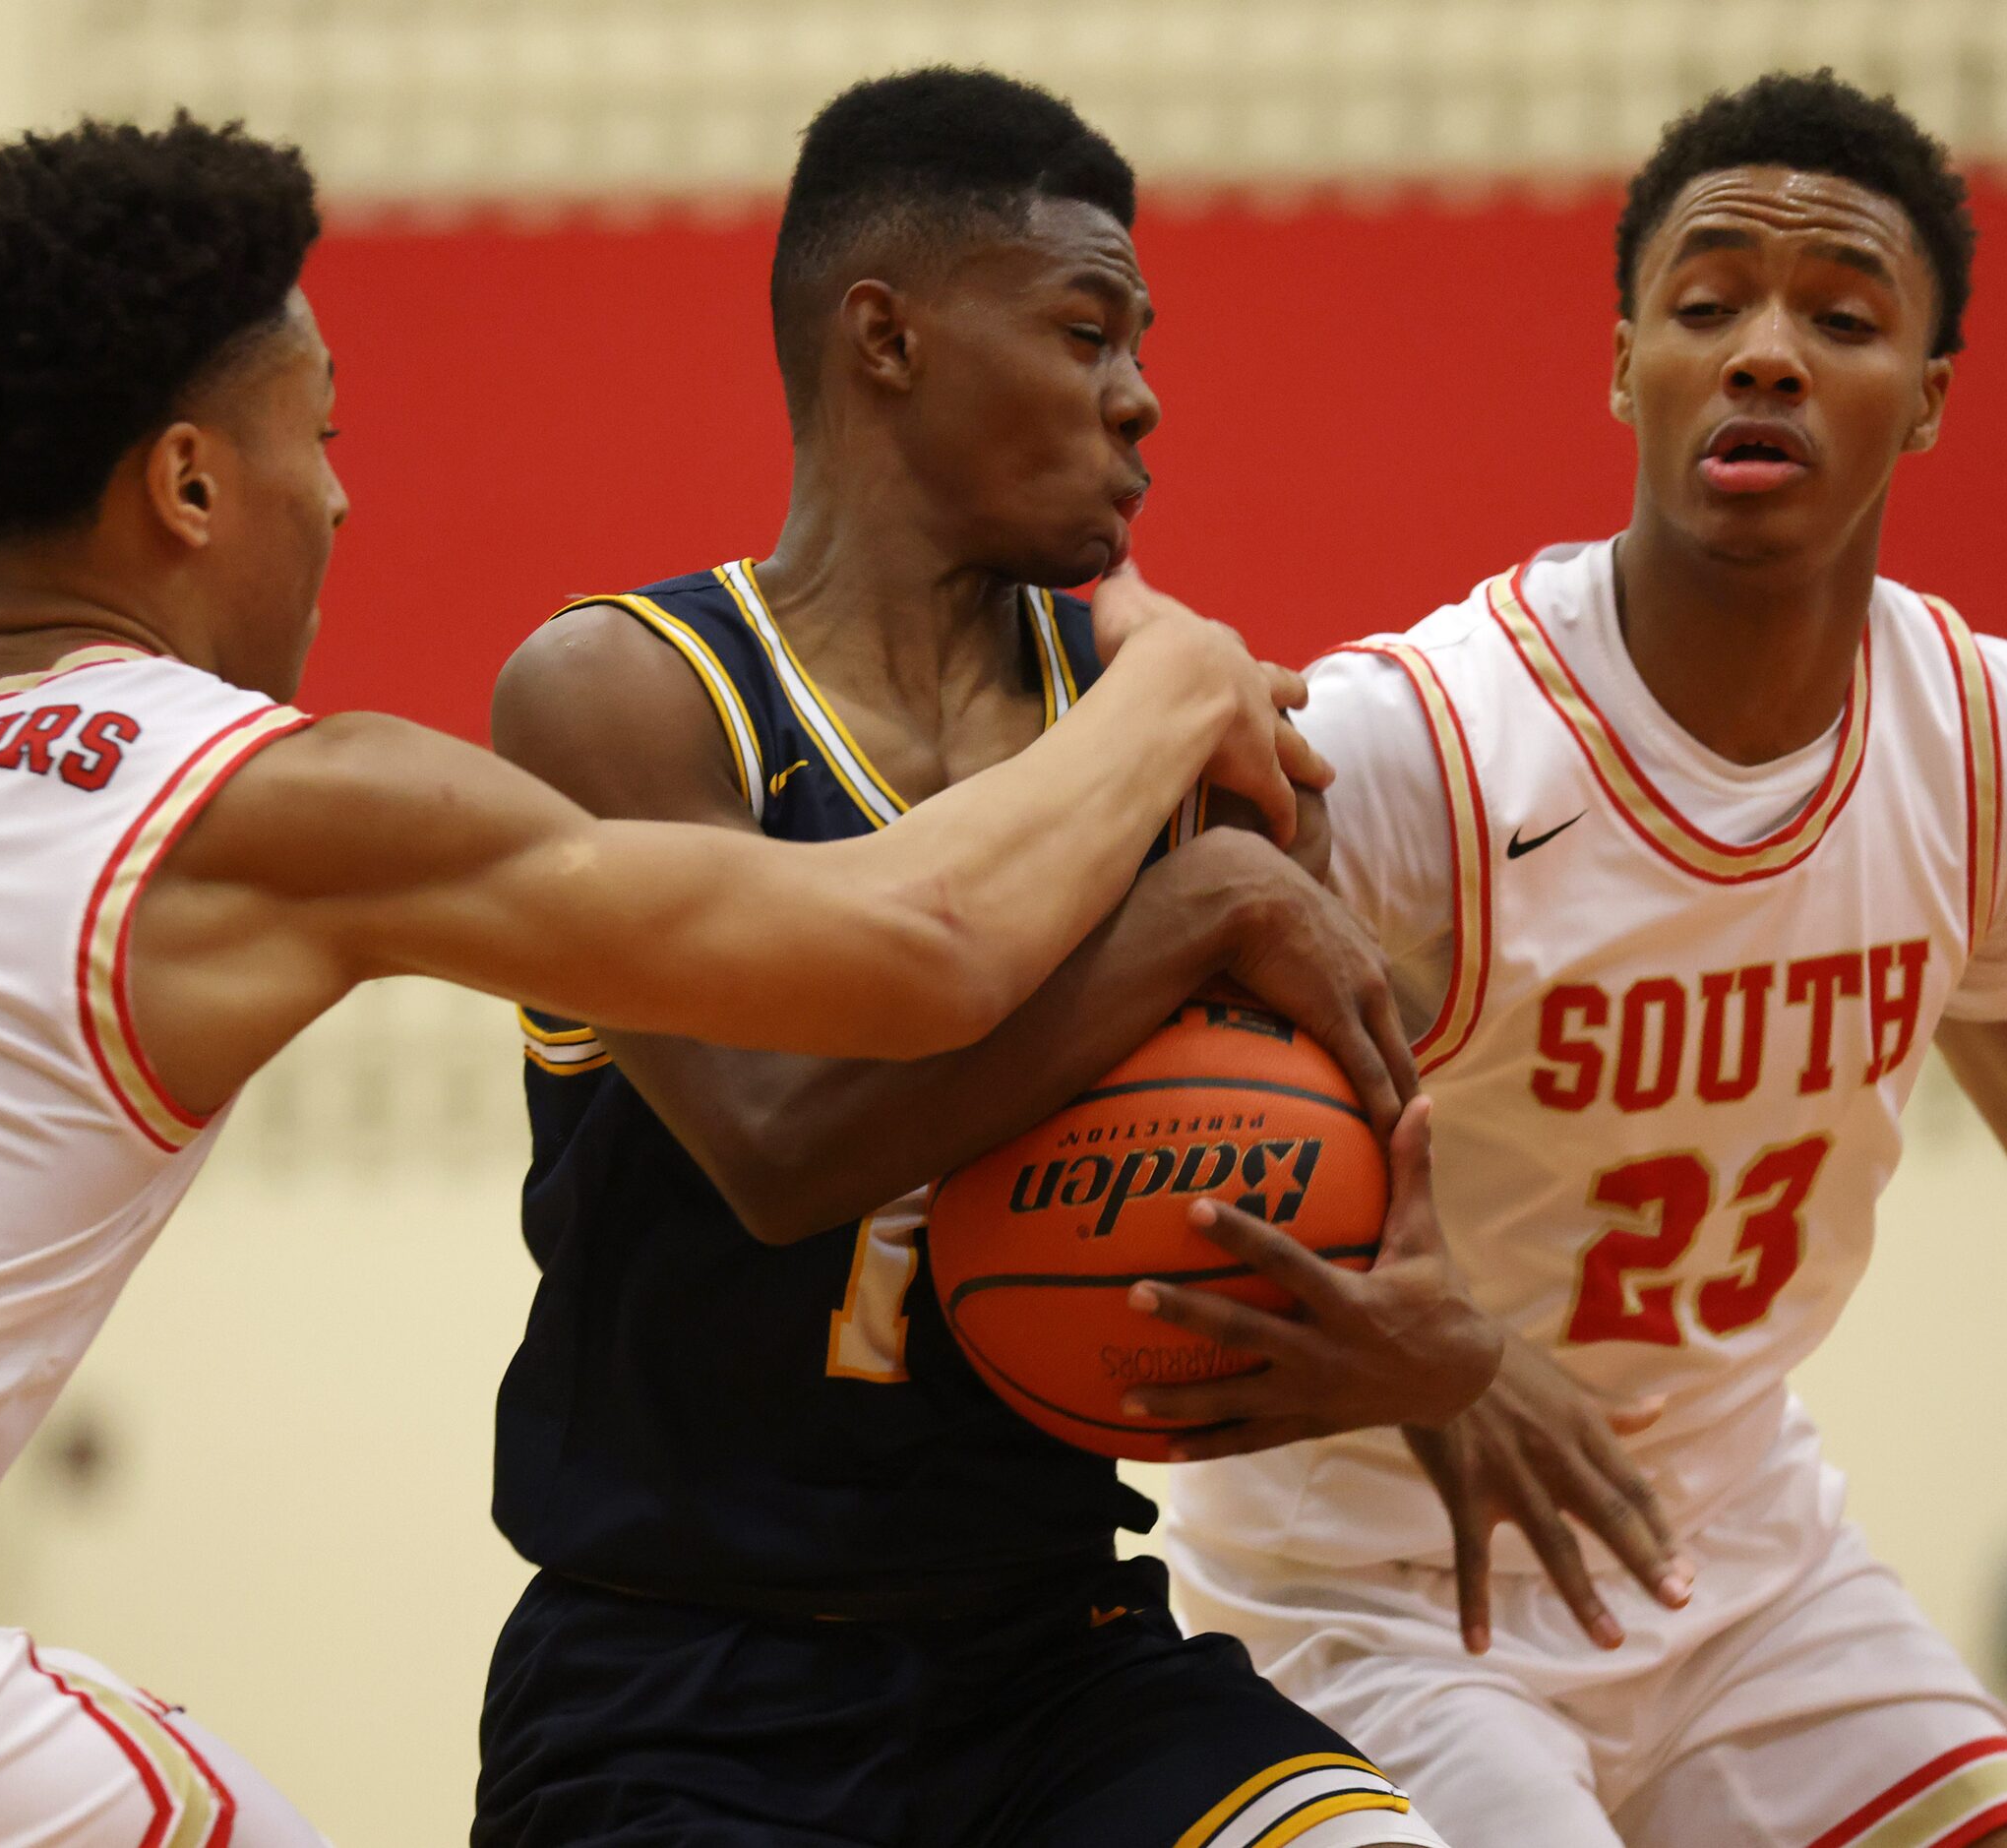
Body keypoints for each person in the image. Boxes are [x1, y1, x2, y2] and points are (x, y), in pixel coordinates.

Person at [0, 115, 1331, 1848]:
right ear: (194, 484)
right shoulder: (271, 793)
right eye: (323, 437)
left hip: (1050, 1653)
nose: (342, 495)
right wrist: (1174, 677)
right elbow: (913, 951)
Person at [1138, 71, 2007, 1848]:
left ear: (1928, 402)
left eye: (1838, 316)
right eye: (1706, 302)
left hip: (1730, 1553)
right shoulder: (1423, 749)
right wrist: (1410, 1337)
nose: (1763, 351)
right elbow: (1133, 1133)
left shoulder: (1980, 737)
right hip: (1371, 1580)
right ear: (1622, 367)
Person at [475, 68, 1497, 1848]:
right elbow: (783, 1143)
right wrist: (1189, 911)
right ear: (888, 338)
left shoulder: (1160, 719)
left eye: (1140, 343)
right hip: (685, 1681)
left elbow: (1306, 1148)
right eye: (1086, 328)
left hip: (1057, 1656)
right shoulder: (622, 692)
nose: (1142, 396)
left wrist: (1387, 1341)